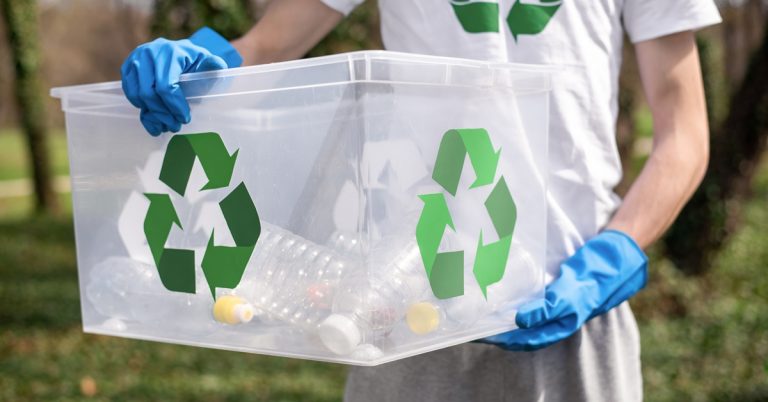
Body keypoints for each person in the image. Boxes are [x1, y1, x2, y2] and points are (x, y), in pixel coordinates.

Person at [121, 0, 721, 400]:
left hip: (570, 302)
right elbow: (267, 45)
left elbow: (684, 135)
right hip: (400, 305)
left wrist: (613, 254)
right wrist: (205, 64)